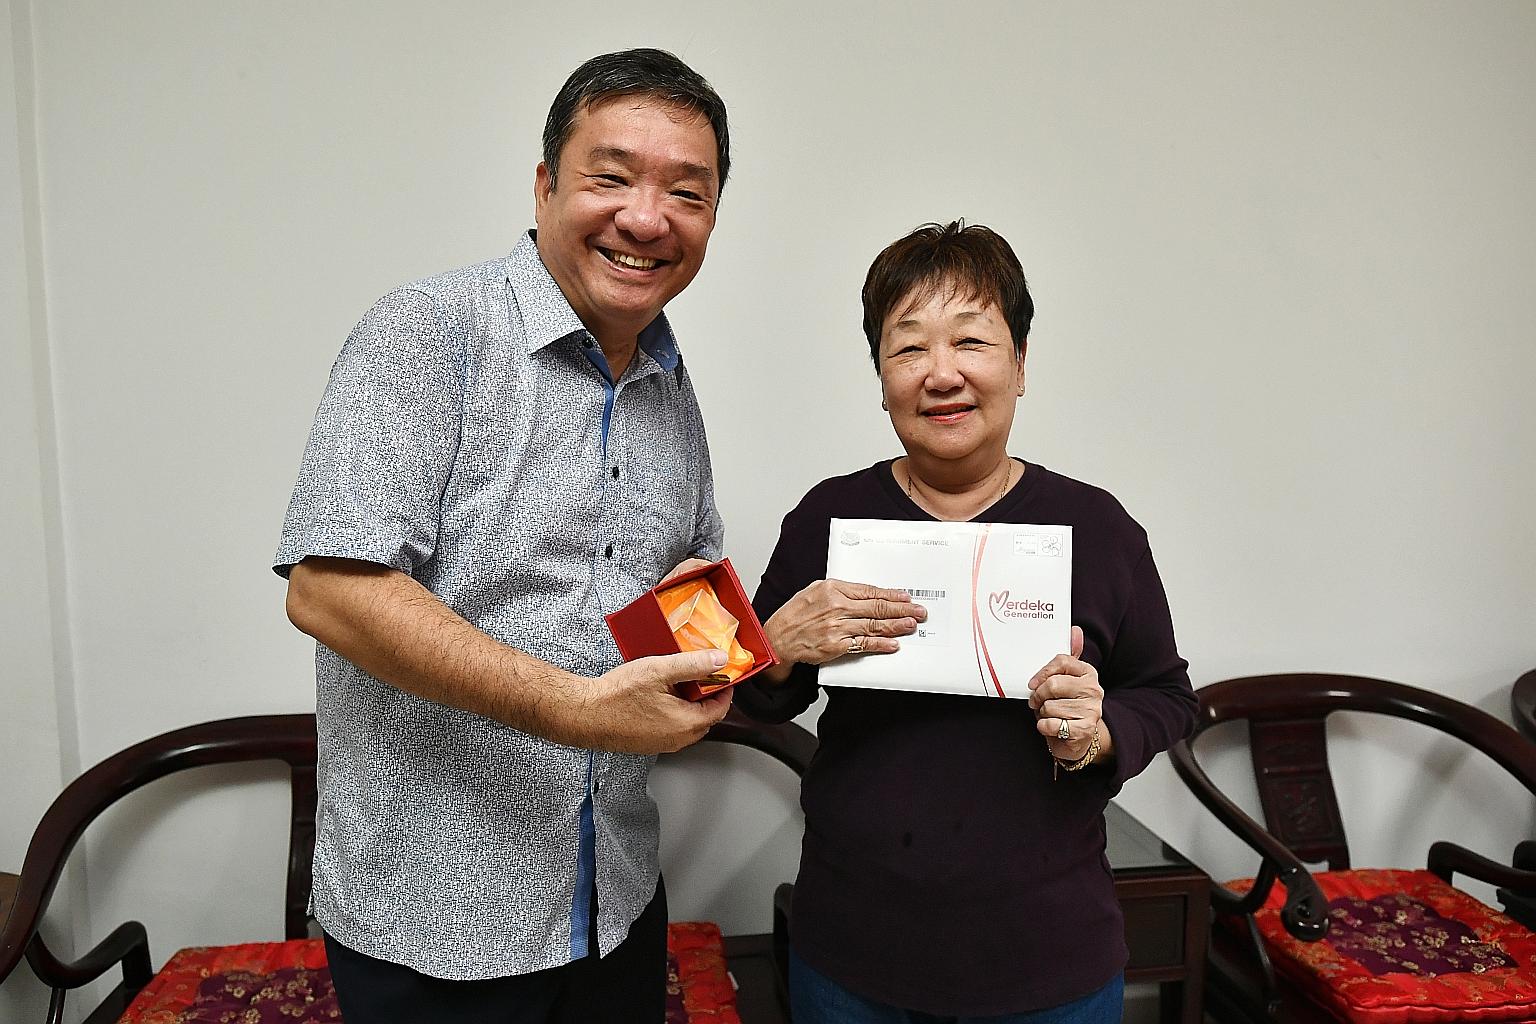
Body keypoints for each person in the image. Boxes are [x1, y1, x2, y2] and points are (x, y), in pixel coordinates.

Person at [273, 48, 734, 1024]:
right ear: (544, 184)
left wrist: (771, 641)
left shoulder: (669, 381)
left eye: (686, 193)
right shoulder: (428, 331)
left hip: (615, 903)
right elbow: (329, 590)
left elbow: (677, 597)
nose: (646, 218)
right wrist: (580, 708)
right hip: (435, 927)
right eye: (611, 176)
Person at [736, 221, 1198, 1023]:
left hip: (1048, 961)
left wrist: (1100, 733)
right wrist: (774, 648)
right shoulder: (828, 518)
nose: (940, 373)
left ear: (1020, 364)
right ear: (881, 376)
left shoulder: (1099, 528)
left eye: (972, 342)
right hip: (852, 954)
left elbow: (1167, 694)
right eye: (908, 347)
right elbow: (759, 697)